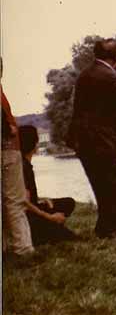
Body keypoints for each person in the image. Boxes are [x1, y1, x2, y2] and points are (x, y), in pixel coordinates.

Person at [67, 39, 116, 239]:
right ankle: (109, 231)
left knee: (102, 187)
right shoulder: (110, 77)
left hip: (83, 141)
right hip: (102, 141)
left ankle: (108, 229)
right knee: (113, 186)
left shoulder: (87, 73)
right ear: (114, 58)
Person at [18, 125, 79, 245]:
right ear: (34, 144)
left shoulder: (24, 164)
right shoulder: (23, 168)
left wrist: (42, 201)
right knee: (71, 237)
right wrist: (50, 217)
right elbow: (24, 205)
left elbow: (26, 197)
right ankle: (45, 230)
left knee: (68, 202)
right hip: (29, 219)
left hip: (33, 211)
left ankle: (50, 226)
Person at [1, 62, 35, 255]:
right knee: (14, 200)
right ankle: (22, 247)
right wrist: (9, 129)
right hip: (7, 149)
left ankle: (5, 245)